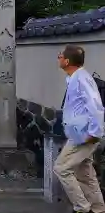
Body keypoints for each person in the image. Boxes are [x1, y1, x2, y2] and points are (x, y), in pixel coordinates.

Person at [54, 45, 105, 213]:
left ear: (67, 61)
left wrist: (94, 133)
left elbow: (96, 106)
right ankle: (98, 209)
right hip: (79, 133)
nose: (58, 58)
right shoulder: (75, 77)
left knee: (61, 168)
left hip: (84, 135)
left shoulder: (82, 79)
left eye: (60, 56)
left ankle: (81, 207)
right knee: (85, 173)